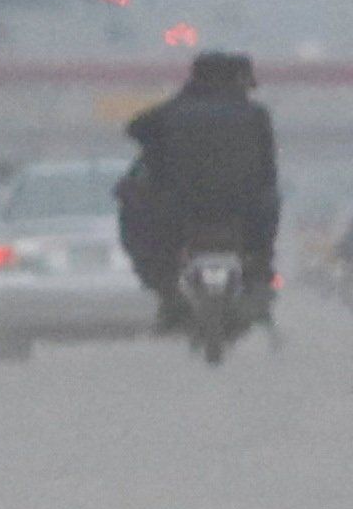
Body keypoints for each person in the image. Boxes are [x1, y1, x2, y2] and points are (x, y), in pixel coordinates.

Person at [114, 50, 282, 330]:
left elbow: (135, 129)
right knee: (263, 233)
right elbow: (268, 170)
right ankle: (258, 280)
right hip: (242, 211)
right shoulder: (256, 115)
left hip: (179, 210)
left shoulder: (171, 113)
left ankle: (167, 293)